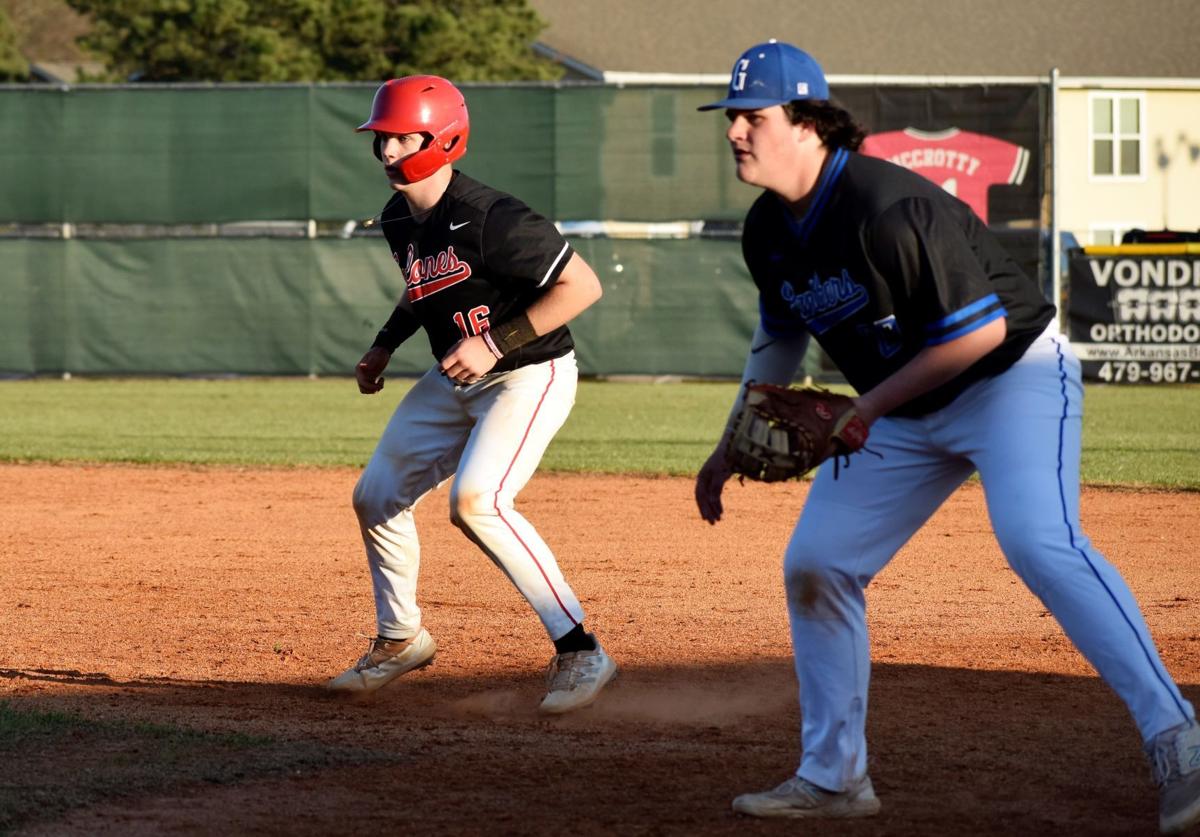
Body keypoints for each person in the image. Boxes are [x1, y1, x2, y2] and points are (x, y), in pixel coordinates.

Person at [694, 40, 1200, 833]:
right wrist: (729, 440)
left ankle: (1180, 738)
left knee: (1041, 540)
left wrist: (864, 411)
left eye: (751, 116)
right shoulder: (769, 230)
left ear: (809, 123)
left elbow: (977, 335)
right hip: (902, 401)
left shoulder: (886, 206)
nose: (734, 132)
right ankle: (834, 777)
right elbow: (778, 337)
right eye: (730, 118)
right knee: (819, 562)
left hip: (1011, 378)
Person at [327, 75, 617, 715]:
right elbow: (421, 286)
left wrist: (495, 343)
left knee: (477, 501)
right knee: (375, 495)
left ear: (444, 138)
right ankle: (401, 639)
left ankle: (581, 649)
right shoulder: (399, 217)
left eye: (401, 138)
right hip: (455, 377)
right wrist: (384, 344)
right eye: (382, 139)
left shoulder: (495, 217)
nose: (387, 153)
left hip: (529, 372)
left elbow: (583, 286)